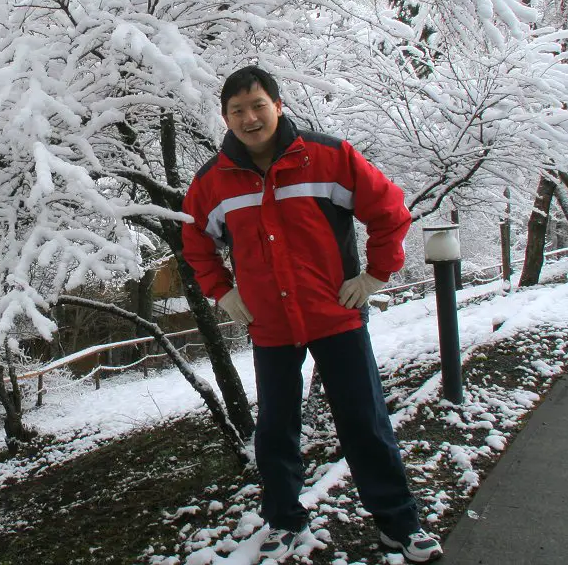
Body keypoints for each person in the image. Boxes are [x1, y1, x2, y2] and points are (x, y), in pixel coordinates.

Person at [180, 66, 442, 563]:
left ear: (278, 105)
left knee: (365, 422)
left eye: (258, 105)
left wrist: (375, 276)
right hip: (271, 327)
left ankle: (398, 524)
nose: (250, 118)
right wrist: (223, 292)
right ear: (225, 118)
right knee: (276, 430)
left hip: (335, 316)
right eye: (238, 111)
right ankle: (283, 519)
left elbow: (389, 212)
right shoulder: (213, 181)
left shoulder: (328, 157)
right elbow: (196, 244)